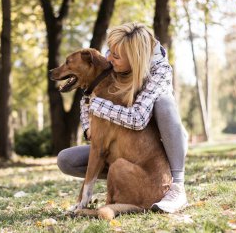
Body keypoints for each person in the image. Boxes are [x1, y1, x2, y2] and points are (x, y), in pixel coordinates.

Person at [57, 22, 189, 213]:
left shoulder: (159, 70)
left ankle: (177, 186)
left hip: (155, 147)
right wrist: (89, 128)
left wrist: (97, 105)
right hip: (123, 146)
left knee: (165, 103)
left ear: (135, 59)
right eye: (109, 51)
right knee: (66, 160)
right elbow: (88, 94)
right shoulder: (115, 53)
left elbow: (137, 119)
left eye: (116, 56)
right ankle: (123, 187)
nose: (109, 58)